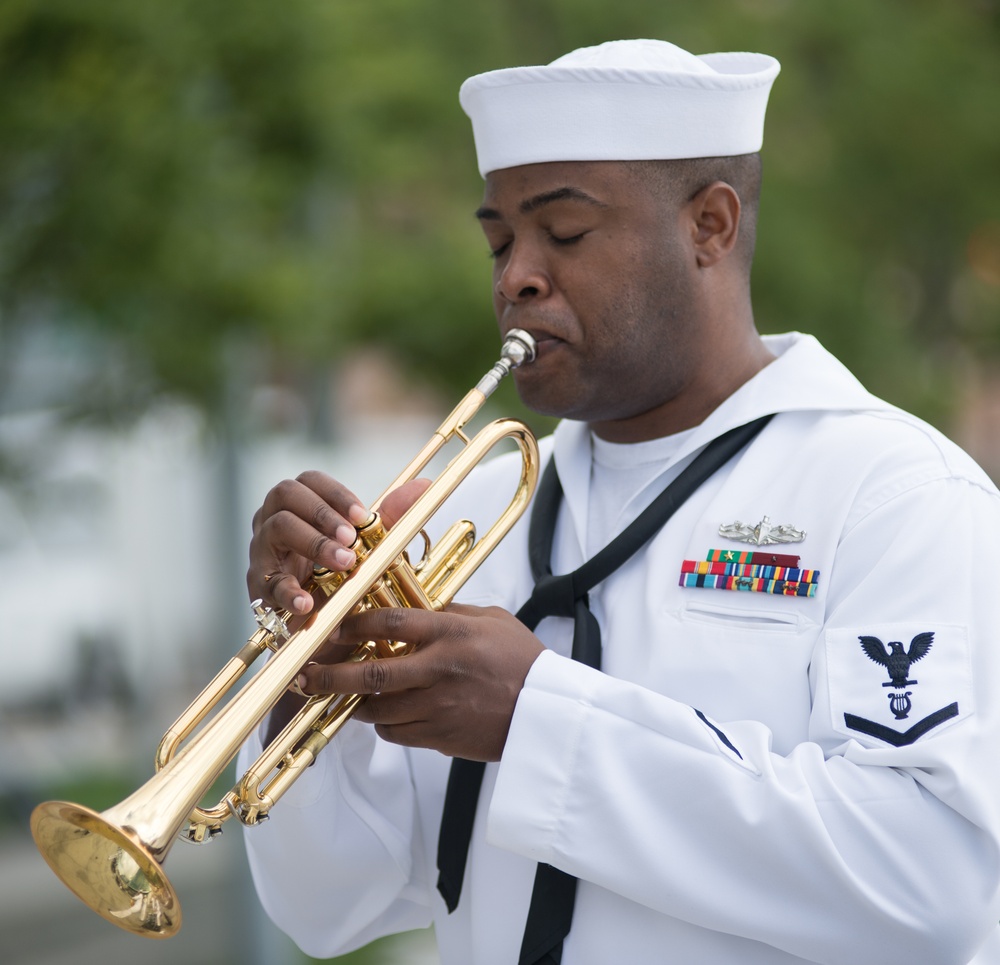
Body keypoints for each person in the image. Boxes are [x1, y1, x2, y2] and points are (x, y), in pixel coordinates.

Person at [237, 39, 1000, 965]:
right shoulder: (470, 510)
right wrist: (301, 678)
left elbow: (930, 885)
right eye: (498, 240)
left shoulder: (895, 495)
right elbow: (329, 908)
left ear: (710, 227)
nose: (515, 273)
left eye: (564, 234)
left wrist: (539, 719)